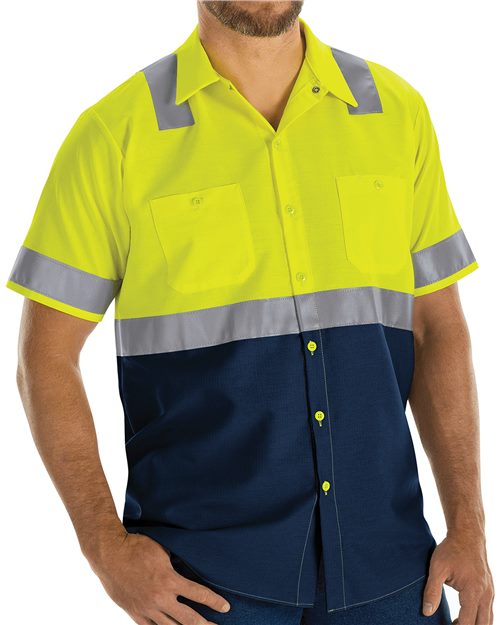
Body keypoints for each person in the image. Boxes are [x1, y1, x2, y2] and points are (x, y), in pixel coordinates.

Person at [6, 2, 494, 624]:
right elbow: (45, 358)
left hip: (392, 570)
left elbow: (437, 329)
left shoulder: (396, 114)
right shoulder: (115, 135)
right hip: (203, 585)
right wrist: (105, 547)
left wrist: (468, 524)